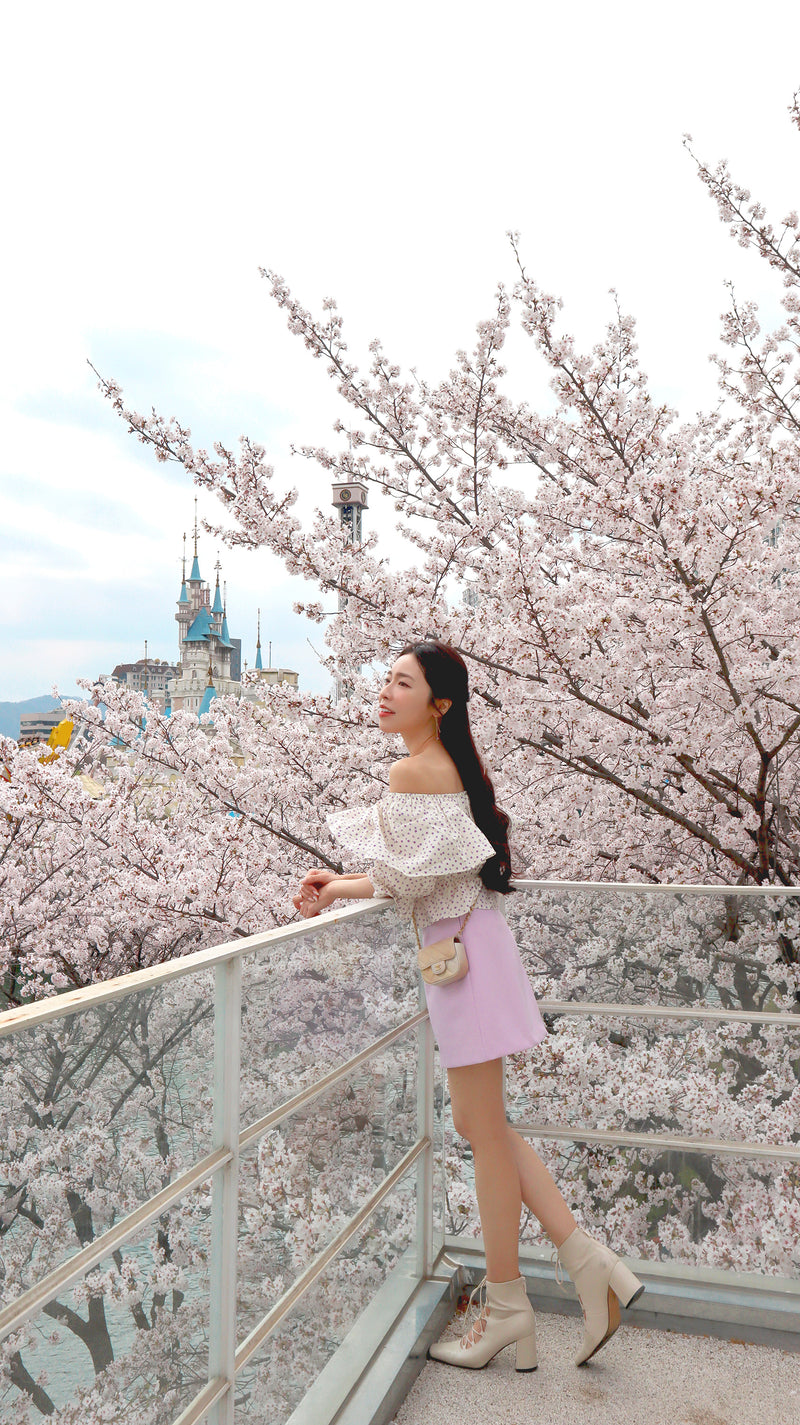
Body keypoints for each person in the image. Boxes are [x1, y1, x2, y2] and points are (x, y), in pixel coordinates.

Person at [293, 638, 644, 1370]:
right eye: (385, 679)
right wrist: (344, 883)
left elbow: (399, 880)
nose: (385, 693)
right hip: (472, 950)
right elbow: (408, 872)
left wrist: (337, 886)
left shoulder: (413, 769)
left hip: (462, 961)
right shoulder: (447, 767)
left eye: (403, 683)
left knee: (482, 1131)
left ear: (439, 703)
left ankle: (513, 1300)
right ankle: (585, 1263)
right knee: (484, 1124)